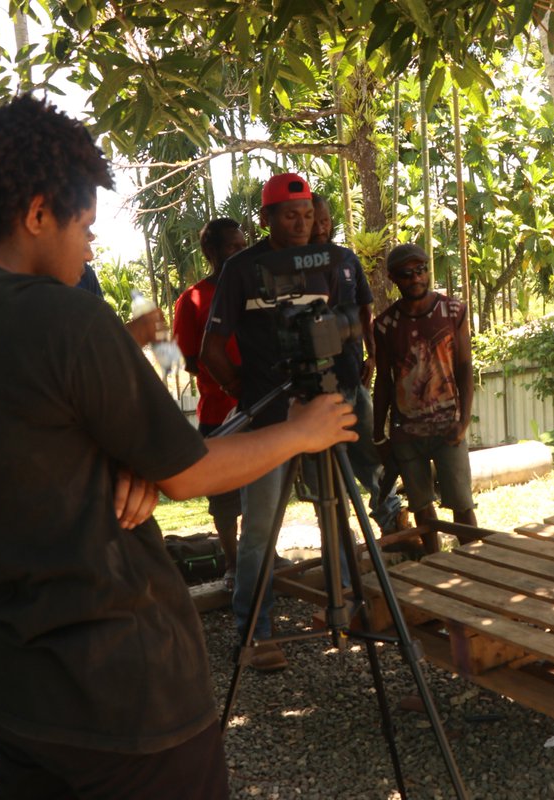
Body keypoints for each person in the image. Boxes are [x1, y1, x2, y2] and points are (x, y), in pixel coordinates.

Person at [0, 95, 357, 800]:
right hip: (119, 685)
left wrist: (122, 461)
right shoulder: (60, 314)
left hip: (7, 679)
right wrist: (305, 430)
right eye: (84, 226)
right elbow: (190, 471)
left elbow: (16, 448)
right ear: (38, 213)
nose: (90, 247)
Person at [200, 173, 340, 670]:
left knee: (335, 514)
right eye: (289, 216)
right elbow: (210, 349)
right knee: (260, 529)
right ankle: (255, 633)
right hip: (267, 419)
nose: (302, 225)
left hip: (321, 412)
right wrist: (247, 391)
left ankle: (340, 610)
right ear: (267, 218)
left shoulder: (327, 263)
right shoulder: (242, 269)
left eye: (307, 216)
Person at [310, 194, 406, 539]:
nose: (320, 227)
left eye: (324, 220)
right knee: (327, 471)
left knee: (370, 451)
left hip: (352, 376)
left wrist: (373, 356)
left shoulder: (346, 259)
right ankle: (339, 540)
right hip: (313, 392)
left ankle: (392, 519)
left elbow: (366, 312)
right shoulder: (292, 267)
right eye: (313, 221)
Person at [372, 243, 477, 550]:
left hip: (448, 426)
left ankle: (478, 570)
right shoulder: (384, 325)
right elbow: (384, 382)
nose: (416, 278)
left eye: (421, 270)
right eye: (407, 274)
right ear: (393, 278)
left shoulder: (453, 311)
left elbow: (465, 368)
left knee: (462, 506)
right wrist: (380, 434)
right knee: (422, 510)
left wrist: (463, 420)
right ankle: (434, 567)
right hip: (407, 432)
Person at [172, 218, 248, 590]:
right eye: (232, 247)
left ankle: (258, 555)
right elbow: (188, 358)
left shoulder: (256, 291)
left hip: (259, 407)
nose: (240, 253)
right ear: (211, 252)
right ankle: (233, 563)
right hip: (219, 414)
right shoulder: (192, 299)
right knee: (224, 497)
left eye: (243, 245)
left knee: (262, 487)